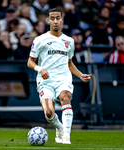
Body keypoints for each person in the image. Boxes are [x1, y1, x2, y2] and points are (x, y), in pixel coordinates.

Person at [27, 8, 91, 144]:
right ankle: (60, 128)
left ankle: (66, 136)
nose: (55, 21)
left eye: (58, 18)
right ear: (48, 20)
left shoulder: (69, 41)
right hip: (45, 80)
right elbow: (30, 62)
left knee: (65, 97)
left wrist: (80, 75)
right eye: (52, 18)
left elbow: (69, 63)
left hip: (63, 78)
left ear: (62, 20)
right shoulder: (40, 40)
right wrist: (40, 68)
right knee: (49, 113)